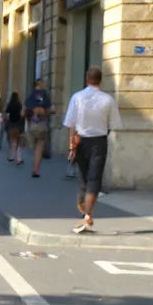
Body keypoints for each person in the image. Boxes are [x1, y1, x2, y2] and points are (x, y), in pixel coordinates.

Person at [64, 65, 122, 234]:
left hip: (81, 141)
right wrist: (103, 133)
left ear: (87, 79)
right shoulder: (107, 100)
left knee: (83, 177)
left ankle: (84, 208)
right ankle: (88, 214)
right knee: (95, 178)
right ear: (100, 81)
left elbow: (70, 123)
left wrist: (71, 144)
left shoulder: (77, 97)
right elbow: (114, 124)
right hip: (99, 142)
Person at [24, 77, 54, 177]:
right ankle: (36, 170)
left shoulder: (32, 95)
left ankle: (34, 167)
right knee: (39, 148)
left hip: (33, 125)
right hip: (42, 125)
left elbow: (27, 106)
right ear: (41, 83)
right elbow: (48, 108)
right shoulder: (45, 95)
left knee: (34, 147)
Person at [4, 91, 24, 164]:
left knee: (12, 141)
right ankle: (19, 158)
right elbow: (21, 113)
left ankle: (12, 157)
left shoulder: (9, 105)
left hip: (11, 124)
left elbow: (6, 113)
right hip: (18, 124)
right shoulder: (19, 104)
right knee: (19, 142)